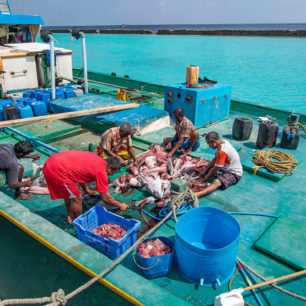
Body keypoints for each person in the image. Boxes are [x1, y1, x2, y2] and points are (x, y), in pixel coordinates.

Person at [43, 151, 129, 223]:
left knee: (70, 193)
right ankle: (78, 222)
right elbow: (105, 197)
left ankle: (70, 215)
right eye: (112, 173)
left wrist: (86, 190)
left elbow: (80, 175)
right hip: (56, 169)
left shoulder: (97, 158)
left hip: (52, 160)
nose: (110, 175)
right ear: (110, 168)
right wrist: (120, 205)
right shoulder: (101, 171)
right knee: (77, 197)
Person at [195, 131, 243, 198]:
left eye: (209, 144)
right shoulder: (223, 142)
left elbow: (215, 169)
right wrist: (205, 170)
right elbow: (215, 159)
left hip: (234, 173)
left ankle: (197, 194)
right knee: (207, 171)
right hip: (225, 168)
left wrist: (203, 180)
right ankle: (207, 184)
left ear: (214, 141)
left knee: (216, 182)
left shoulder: (222, 151)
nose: (209, 146)